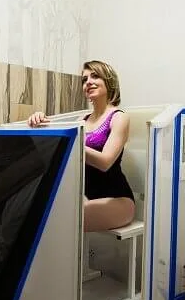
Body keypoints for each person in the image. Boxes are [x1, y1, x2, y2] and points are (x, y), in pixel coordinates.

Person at [28, 60, 135, 232]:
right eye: (85, 80)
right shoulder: (82, 120)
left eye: (95, 76)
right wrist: (41, 123)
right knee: (37, 208)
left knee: (57, 222)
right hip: (84, 196)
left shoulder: (119, 117)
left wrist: (71, 143)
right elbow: (63, 151)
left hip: (117, 200)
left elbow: (105, 162)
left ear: (109, 80)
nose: (88, 82)